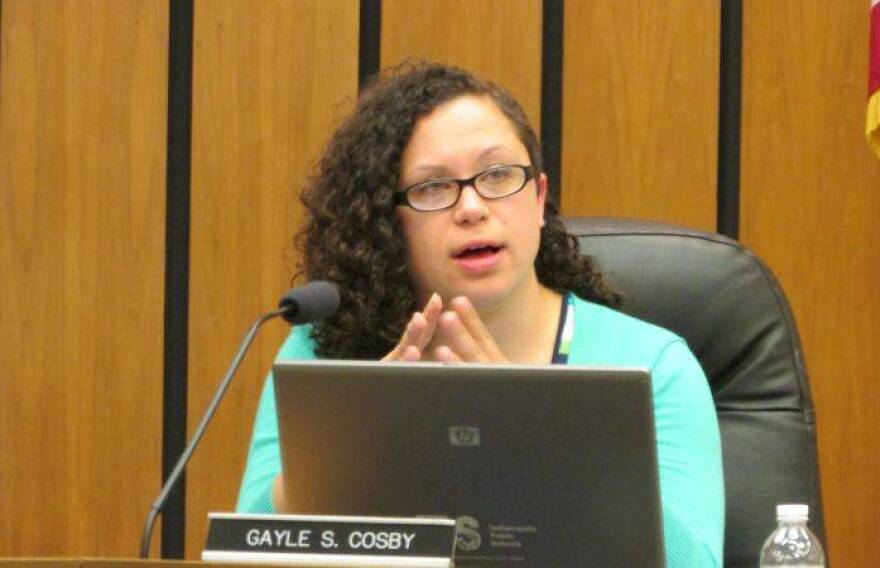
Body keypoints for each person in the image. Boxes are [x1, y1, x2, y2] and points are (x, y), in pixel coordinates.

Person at [237, 61, 724, 567]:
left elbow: (696, 562)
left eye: (497, 175)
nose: (471, 207)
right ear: (390, 223)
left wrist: (529, 434)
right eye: (432, 187)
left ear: (538, 199)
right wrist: (356, 439)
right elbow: (247, 549)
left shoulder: (651, 364)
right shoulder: (325, 351)